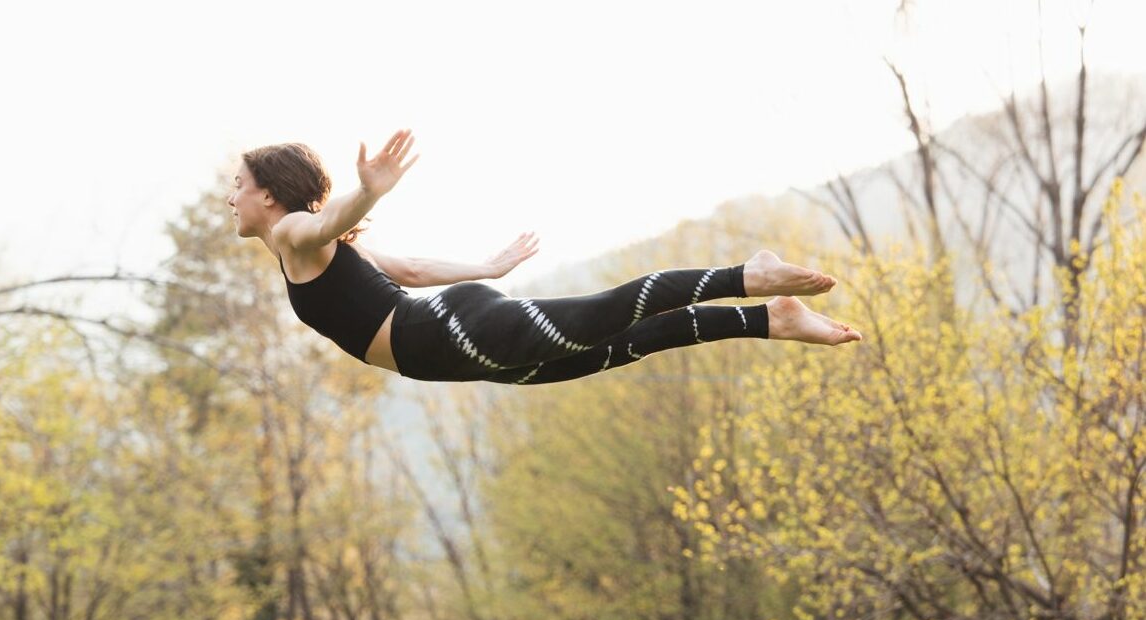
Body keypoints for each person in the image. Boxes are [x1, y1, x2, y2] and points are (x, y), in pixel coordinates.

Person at [227, 130, 862, 385]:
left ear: (269, 195)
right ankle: (770, 318)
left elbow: (322, 223)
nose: (231, 198)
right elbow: (412, 273)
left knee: (605, 314)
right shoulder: (320, 246)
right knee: (619, 344)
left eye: (237, 184)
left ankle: (747, 275)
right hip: (452, 345)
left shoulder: (295, 235)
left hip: (446, 334)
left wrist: (367, 190)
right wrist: (486, 268)